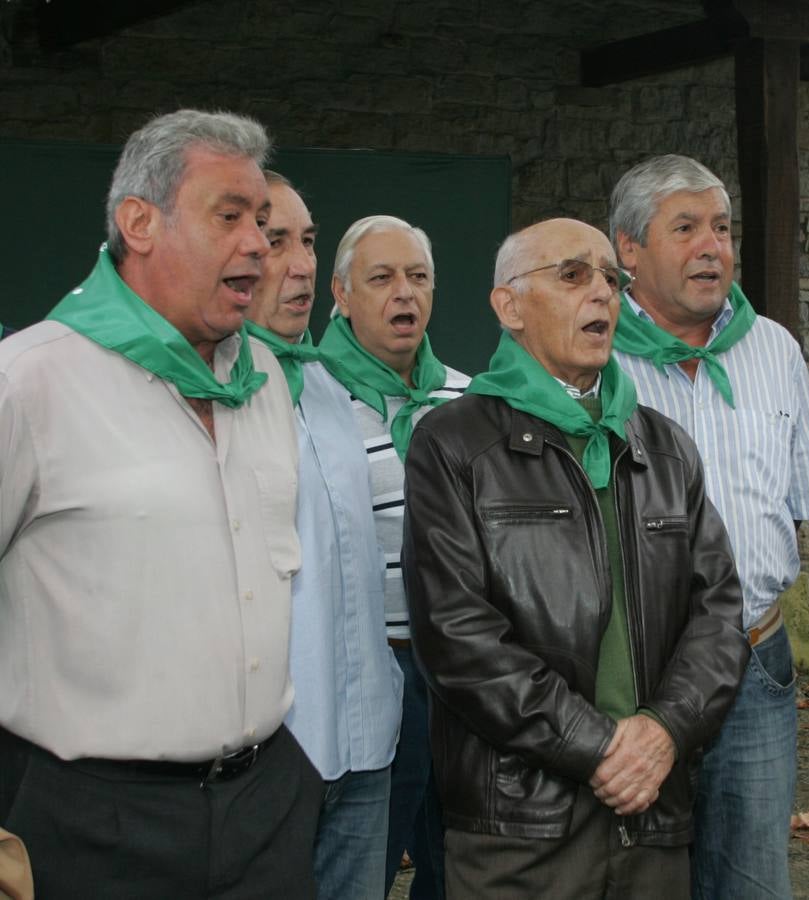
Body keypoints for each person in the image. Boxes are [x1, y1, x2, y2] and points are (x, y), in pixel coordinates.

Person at [0, 109, 322, 897]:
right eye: (231, 217)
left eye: (265, 222)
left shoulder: (267, 381)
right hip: (90, 821)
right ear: (138, 223)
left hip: (265, 807)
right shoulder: (28, 382)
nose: (259, 244)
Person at [402, 217, 750, 899]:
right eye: (571, 275)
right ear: (509, 307)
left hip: (650, 811)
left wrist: (661, 732)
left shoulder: (663, 446)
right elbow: (458, 639)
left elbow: (718, 613)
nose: (602, 294)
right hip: (520, 822)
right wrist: (596, 746)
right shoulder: (452, 444)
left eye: (611, 279)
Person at [608, 154, 809, 900]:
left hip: (754, 663)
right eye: (686, 228)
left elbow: (797, 515)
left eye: (722, 228)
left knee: (751, 879)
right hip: (632, 673)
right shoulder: (590, 358)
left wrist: (781, 637)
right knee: (636, 876)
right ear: (628, 249)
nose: (713, 247)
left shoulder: (774, 351)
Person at [244, 175, 404, 900]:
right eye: (278, 241)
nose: (301, 263)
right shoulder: (206, 392)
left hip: (365, 744)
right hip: (274, 758)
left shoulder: (329, 390)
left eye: (308, 241)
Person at [319, 214, 467, 900]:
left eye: (417, 277)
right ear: (342, 295)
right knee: (362, 862)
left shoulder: (467, 401)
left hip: (461, 672)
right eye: (381, 278)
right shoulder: (308, 401)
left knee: (457, 860)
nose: (403, 293)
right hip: (366, 667)